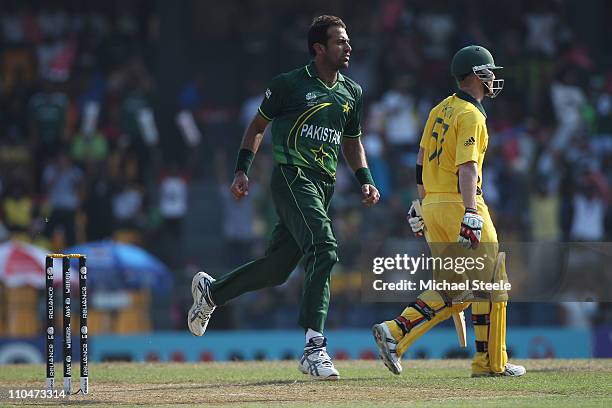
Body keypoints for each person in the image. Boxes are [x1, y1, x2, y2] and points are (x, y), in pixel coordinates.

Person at [187, 15, 380, 380]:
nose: (349, 47)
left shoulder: (351, 92)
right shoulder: (290, 84)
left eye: (348, 40)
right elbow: (258, 126)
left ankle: (212, 293)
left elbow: (352, 140)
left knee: (277, 269)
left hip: (324, 186)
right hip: (292, 177)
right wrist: (242, 170)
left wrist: (364, 178)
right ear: (319, 48)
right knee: (325, 249)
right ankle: (314, 347)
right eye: (340, 41)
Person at [372, 45, 526, 377]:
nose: (492, 78)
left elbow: (419, 162)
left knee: (461, 288)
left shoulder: (439, 109)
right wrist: (471, 211)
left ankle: (479, 361)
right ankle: (490, 362)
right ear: (474, 75)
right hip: (461, 202)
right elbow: (468, 167)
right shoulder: (471, 114)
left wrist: (420, 205)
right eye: (488, 72)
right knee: (492, 281)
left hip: (433, 205)